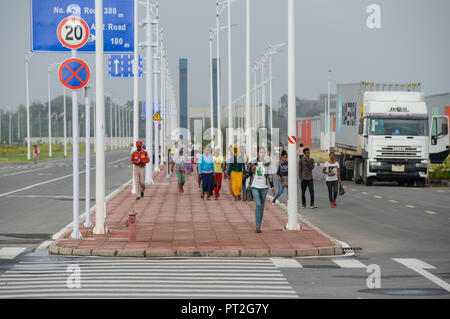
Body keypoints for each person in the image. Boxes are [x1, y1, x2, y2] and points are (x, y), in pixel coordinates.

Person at [248, 147, 275, 233]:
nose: (262, 154)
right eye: (261, 152)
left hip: (264, 187)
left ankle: (258, 226)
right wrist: (251, 170)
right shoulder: (252, 162)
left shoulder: (267, 163)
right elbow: (247, 173)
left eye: (264, 152)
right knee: (258, 205)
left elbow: (269, 175)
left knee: (262, 207)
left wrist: (272, 186)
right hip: (254, 186)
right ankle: (257, 225)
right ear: (257, 153)